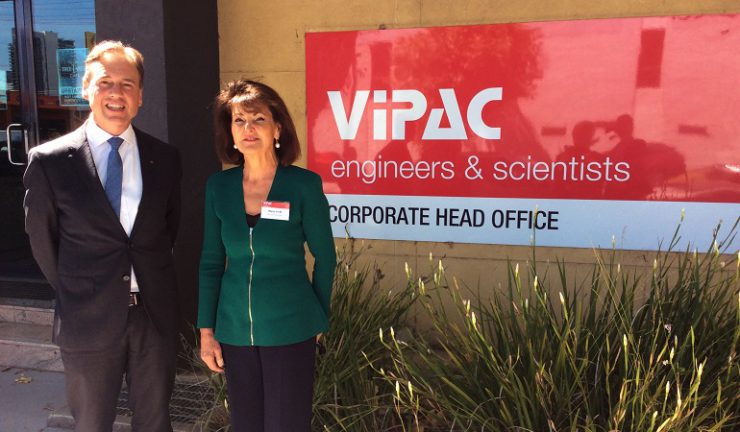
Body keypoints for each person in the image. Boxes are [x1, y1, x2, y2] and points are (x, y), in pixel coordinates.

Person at [23, 40, 181, 432]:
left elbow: (168, 229)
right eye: (105, 82)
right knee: (92, 424)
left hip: (152, 317)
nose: (116, 93)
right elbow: (44, 243)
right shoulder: (50, 161)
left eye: (127, 84)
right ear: (85, 89)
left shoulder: (165, 158)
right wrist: (82, 289)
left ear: (141, 96)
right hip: (87, 319)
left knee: (156, 422)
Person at [198, 79, 336, 432]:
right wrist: (207, 331)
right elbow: (211, 263)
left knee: (286, 424)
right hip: (235, 331)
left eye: (257, 119)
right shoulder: (219, 187)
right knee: (245, 424)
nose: (248, 129)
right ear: (229, 132)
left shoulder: (303, 185)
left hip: (291, 328)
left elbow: (325, 257)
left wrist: (317, 317)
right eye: (238, 121)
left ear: (277, 127)